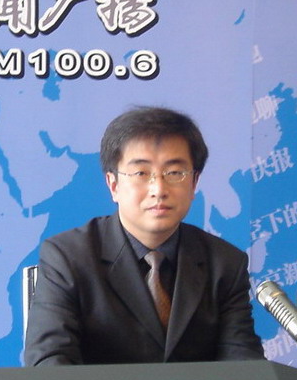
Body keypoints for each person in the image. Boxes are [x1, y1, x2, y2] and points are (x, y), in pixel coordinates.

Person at [23, 106, 264, 365]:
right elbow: (50, 363)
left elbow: (243, 366)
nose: (158, 189)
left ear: (194, 183)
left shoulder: (225, 264)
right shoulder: (69, 257)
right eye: (141, 173)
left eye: (174, 173)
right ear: (113, 185)